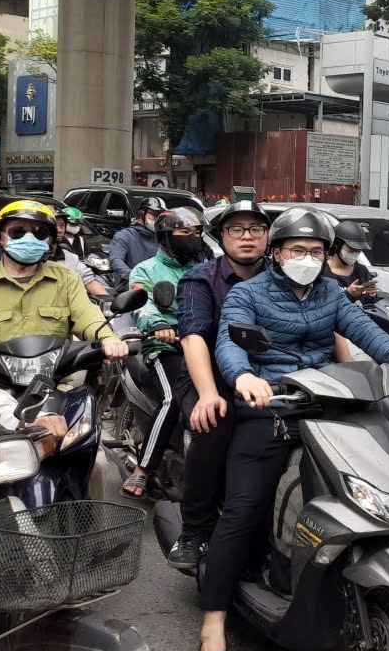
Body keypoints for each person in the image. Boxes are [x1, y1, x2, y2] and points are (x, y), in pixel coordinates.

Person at [194, 207, 389, 651]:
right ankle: (212, 628)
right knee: (242, 512)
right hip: (270, 405)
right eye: (297, 250)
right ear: (276, 254)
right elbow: (229, 343)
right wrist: (244, 377)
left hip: (328, 404)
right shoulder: (247, 293)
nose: (307, 258)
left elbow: (364, 330)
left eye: (316, 251)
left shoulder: (330, 294)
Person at [166, 200, 270, 569]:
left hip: (269, 376)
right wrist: (207, 394)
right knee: (214, 423)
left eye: (255, 229)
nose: (247, 237)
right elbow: (193, 336)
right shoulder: (200, 280)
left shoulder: (281, 275)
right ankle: (195, 529)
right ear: (221, 236)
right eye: (237, 229)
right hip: (207, 374)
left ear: (268, 237)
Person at [119, 207, 207, 499]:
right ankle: (143, 470)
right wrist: (156, 324)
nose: (192, 238)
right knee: (173, 398)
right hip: (166, 346)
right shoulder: (146, 270)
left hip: (205, 345)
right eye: (185, 233)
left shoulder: (206, 266)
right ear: (166, 237)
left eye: (196, 232)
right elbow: (142, 303)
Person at [0, 200, 127, 356]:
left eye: (40, 233)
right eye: (17, 232)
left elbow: (87, 315)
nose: (29, 239)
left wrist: (108, 338)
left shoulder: (67, 278)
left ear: (50, 241)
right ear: (0, 238)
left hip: (56, 375)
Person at [51, 206, 106, 297]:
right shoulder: (29, 256)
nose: (59, 230)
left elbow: (88, 280)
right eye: (55, 225)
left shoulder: (70, 258)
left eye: (62, 225)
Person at [109, 196, 167, 282]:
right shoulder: (124, 236)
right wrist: (136, 277)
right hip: (132, 288)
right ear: (141, 215)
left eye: (160, 216)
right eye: (154, 214)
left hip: (159, 287)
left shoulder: (163, 238)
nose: (157, 219)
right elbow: (116, 260)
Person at [323, 220, 378, 303]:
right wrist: (348, 294)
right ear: (337, 245)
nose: (355, 254)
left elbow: (370, 304)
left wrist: (372, 295)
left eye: (358, 251)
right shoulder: (321, 272)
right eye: (351, 250)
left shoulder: (361, 271)